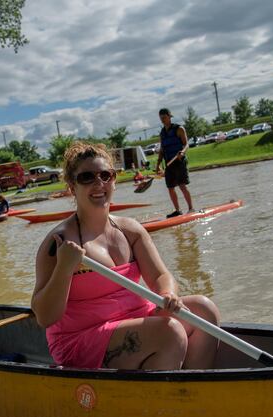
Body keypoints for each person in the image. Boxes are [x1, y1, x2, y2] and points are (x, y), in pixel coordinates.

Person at [32, 141, 220, 371]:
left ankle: (192, 389)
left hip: (136, 318)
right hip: (81, 338)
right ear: (72, 187)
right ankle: (166, 400)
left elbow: (160, 274)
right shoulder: (59, 242)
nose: (98, 183)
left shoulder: (130, 230)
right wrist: (64, 268)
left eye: (105, 175)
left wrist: (167, 294)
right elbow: (44, 317)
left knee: (204, 309)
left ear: (114, 180)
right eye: (87, 177)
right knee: (169, 332)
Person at [155, 108, 194, 218]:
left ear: (169, 116)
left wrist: (182, 152)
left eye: (164, 117)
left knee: (182, 186)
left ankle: (191, 208)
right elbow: (162, 149)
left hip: (179, 161)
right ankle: (178, 210)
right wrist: (158, 164)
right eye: (161, 118)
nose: (162, 120)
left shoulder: (179, 129)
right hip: (168, 163)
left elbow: (186, 144)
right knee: (170, 187)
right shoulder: (162, 132)